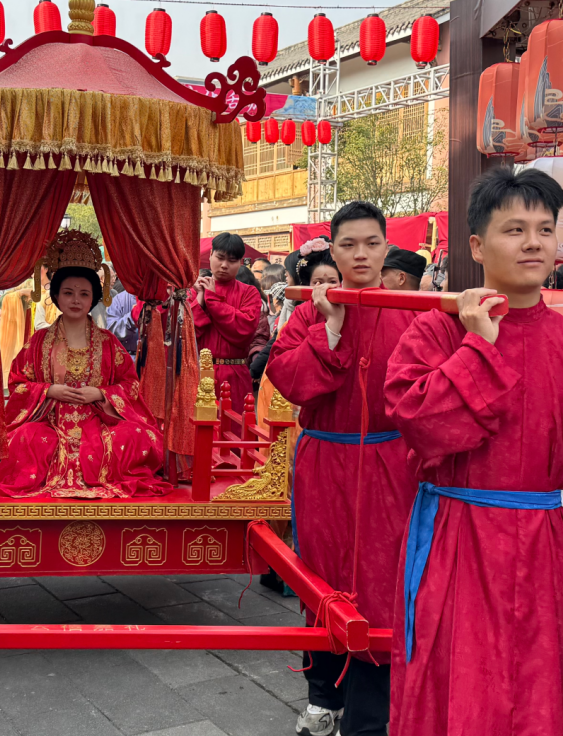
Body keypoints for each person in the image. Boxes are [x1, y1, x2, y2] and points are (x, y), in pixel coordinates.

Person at [384, 168, 563, 735]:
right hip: (453, 542)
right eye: (515, 229)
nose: (534, 242)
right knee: (450, 699)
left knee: (532, 699)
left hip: (541, 552)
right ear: (477, 246)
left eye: (545, 229)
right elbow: (420, 427)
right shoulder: (435, 333)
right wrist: (478, 346)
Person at [268, 202, 417, 736]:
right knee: (321, 580)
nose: (360, 254)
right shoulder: (308, 313)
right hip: (325, 464)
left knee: (382, 584)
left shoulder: (413, 314)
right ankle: (323, 697)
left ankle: (370, 718)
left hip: (390, 467)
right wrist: (330, 328)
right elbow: (287, 379)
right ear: (332, 249)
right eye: (348, 244)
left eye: (371, 243)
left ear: (386, 248)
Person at [0, 231, 170, 499]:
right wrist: (48, 391)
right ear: (56, 296)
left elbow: (130, 384)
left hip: (99, 420)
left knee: (135, 435)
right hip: (49, 421)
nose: (76, 300)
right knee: (25, 437)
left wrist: (101, 394)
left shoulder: (108, 342)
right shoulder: (39, 341)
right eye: (68, 293)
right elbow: (18, 382)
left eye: (83, 294)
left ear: (93, 299)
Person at [191, 232, 263, 418]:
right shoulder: (196, 291)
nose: (224, 265)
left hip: (235, 375)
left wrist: (212, 300)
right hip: (199, 373)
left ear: (240, 263)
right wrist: (200, 299)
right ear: (210, 255)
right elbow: (187, 334)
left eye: (232, 260)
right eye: (220, 257)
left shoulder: (249, 293)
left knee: (235, 429)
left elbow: (244, 330)